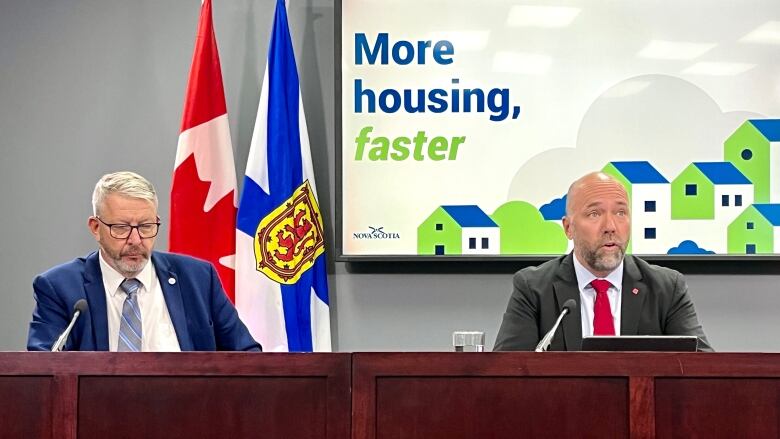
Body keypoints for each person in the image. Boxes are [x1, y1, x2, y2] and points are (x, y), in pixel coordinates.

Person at [27, 171, 261, 352]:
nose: (136, 240)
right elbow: (45, 369)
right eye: (121, 228)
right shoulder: (60, 288)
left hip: (189, 411)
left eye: (146, 226)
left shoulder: (198, 279)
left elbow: (247, 356)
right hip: (97, 413)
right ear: (96, 228)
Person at [494, 171, 712, 351]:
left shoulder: (666, 288)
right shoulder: (533, 288)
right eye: (594, 214)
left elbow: (705, 371)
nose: (611, 226)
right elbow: (506, 374)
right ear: (568, 228)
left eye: (620, 212)